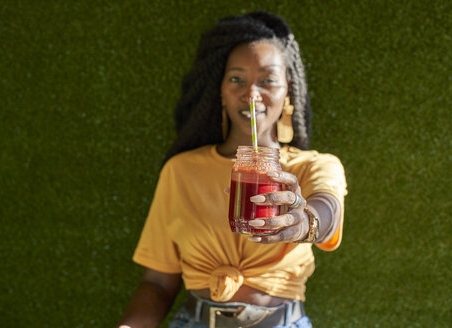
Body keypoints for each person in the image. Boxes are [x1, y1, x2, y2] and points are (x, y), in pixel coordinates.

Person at [117, 11, 347, 328]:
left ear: (288, 91)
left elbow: (328, 209)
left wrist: (302, 222)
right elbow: (158, 283)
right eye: (237, 79)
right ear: (221, 91)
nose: (251, 94)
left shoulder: (313, 166)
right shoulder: (181, 171)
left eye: (267, 80)